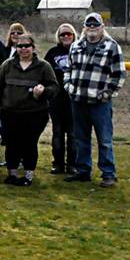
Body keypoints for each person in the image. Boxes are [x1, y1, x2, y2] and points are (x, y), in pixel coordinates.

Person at [63, 12, 126, 187]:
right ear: (84, 28)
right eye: (89, 26)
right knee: (80, 138)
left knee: (104, 140)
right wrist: (68, 86)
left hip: (100, 104)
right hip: (78, 101)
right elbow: (68, 69)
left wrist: (106, 94)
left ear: (102, 27)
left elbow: (119, 74)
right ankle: (83, 170)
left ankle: (108, 174)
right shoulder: (76, 46)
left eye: (95, 26)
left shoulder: (112, 47)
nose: (92, 29)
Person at [0, 33, 58, 186]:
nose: (23, 49)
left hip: (35, 114)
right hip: (10, 113)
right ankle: (12, 174)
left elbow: (54, 88)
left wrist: (43, 91)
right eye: (20, 46)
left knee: (29, 143)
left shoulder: (43, 66)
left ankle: (28, 176)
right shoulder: (7, 65)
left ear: (33, 48)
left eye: (26, 45)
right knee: (12, 143)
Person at [43, 23, 78, 175]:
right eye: (63, 34)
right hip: (57, 98)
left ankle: (72, 164)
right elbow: (44, 73)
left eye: (68, 34)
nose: (66, 37)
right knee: (57, 131)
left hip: (74, 97)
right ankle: (58, 163)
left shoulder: (79, 50)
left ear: (74, 35)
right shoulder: (52, 53)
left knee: (73, 133)